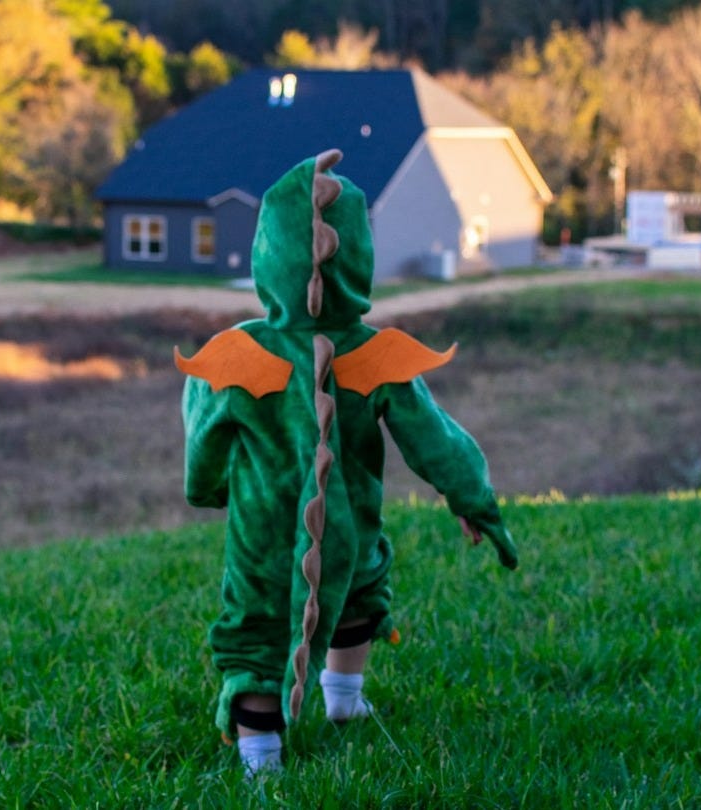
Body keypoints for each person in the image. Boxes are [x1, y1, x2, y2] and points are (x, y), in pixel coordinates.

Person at [175, 148, 518, 776]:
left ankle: (260, 756)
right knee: (358, 593)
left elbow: (203, 441)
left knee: (257, 624)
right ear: (358, 255)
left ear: (267, 253)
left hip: (260, 535)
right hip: (351, 524)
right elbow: (434, 437)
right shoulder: (373, 355)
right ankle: (343, 697)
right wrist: (472, 499)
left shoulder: (235, 356)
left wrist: (208, 488)